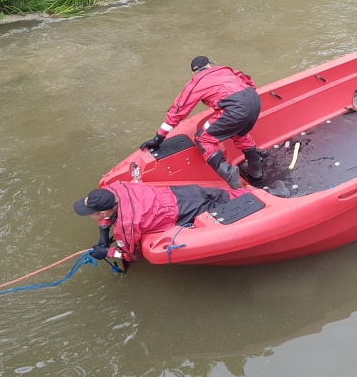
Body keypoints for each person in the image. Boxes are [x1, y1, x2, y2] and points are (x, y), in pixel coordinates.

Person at [140, 56, 263, 188]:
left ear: (194, 72)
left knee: (203, 138)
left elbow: (178, 110)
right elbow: (248, 81)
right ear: (209, 65)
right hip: (254, 100)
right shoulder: (225, 70)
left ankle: (228, 173)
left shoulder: (196, 82)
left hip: (236, 108)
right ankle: (255, 169)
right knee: (240, 134)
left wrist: (158, 138)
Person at [74, 182, 248, 262]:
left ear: (104, 212)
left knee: (235, 209)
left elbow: (131, 255)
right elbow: (106, 206)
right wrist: (104, 232)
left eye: (91, 214)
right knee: (226, 195)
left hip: (182, 211)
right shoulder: (116, 188)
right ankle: (255, 191)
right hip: (182, 193)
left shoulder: (126, 226)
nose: (90, 216)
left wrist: (108, 252)